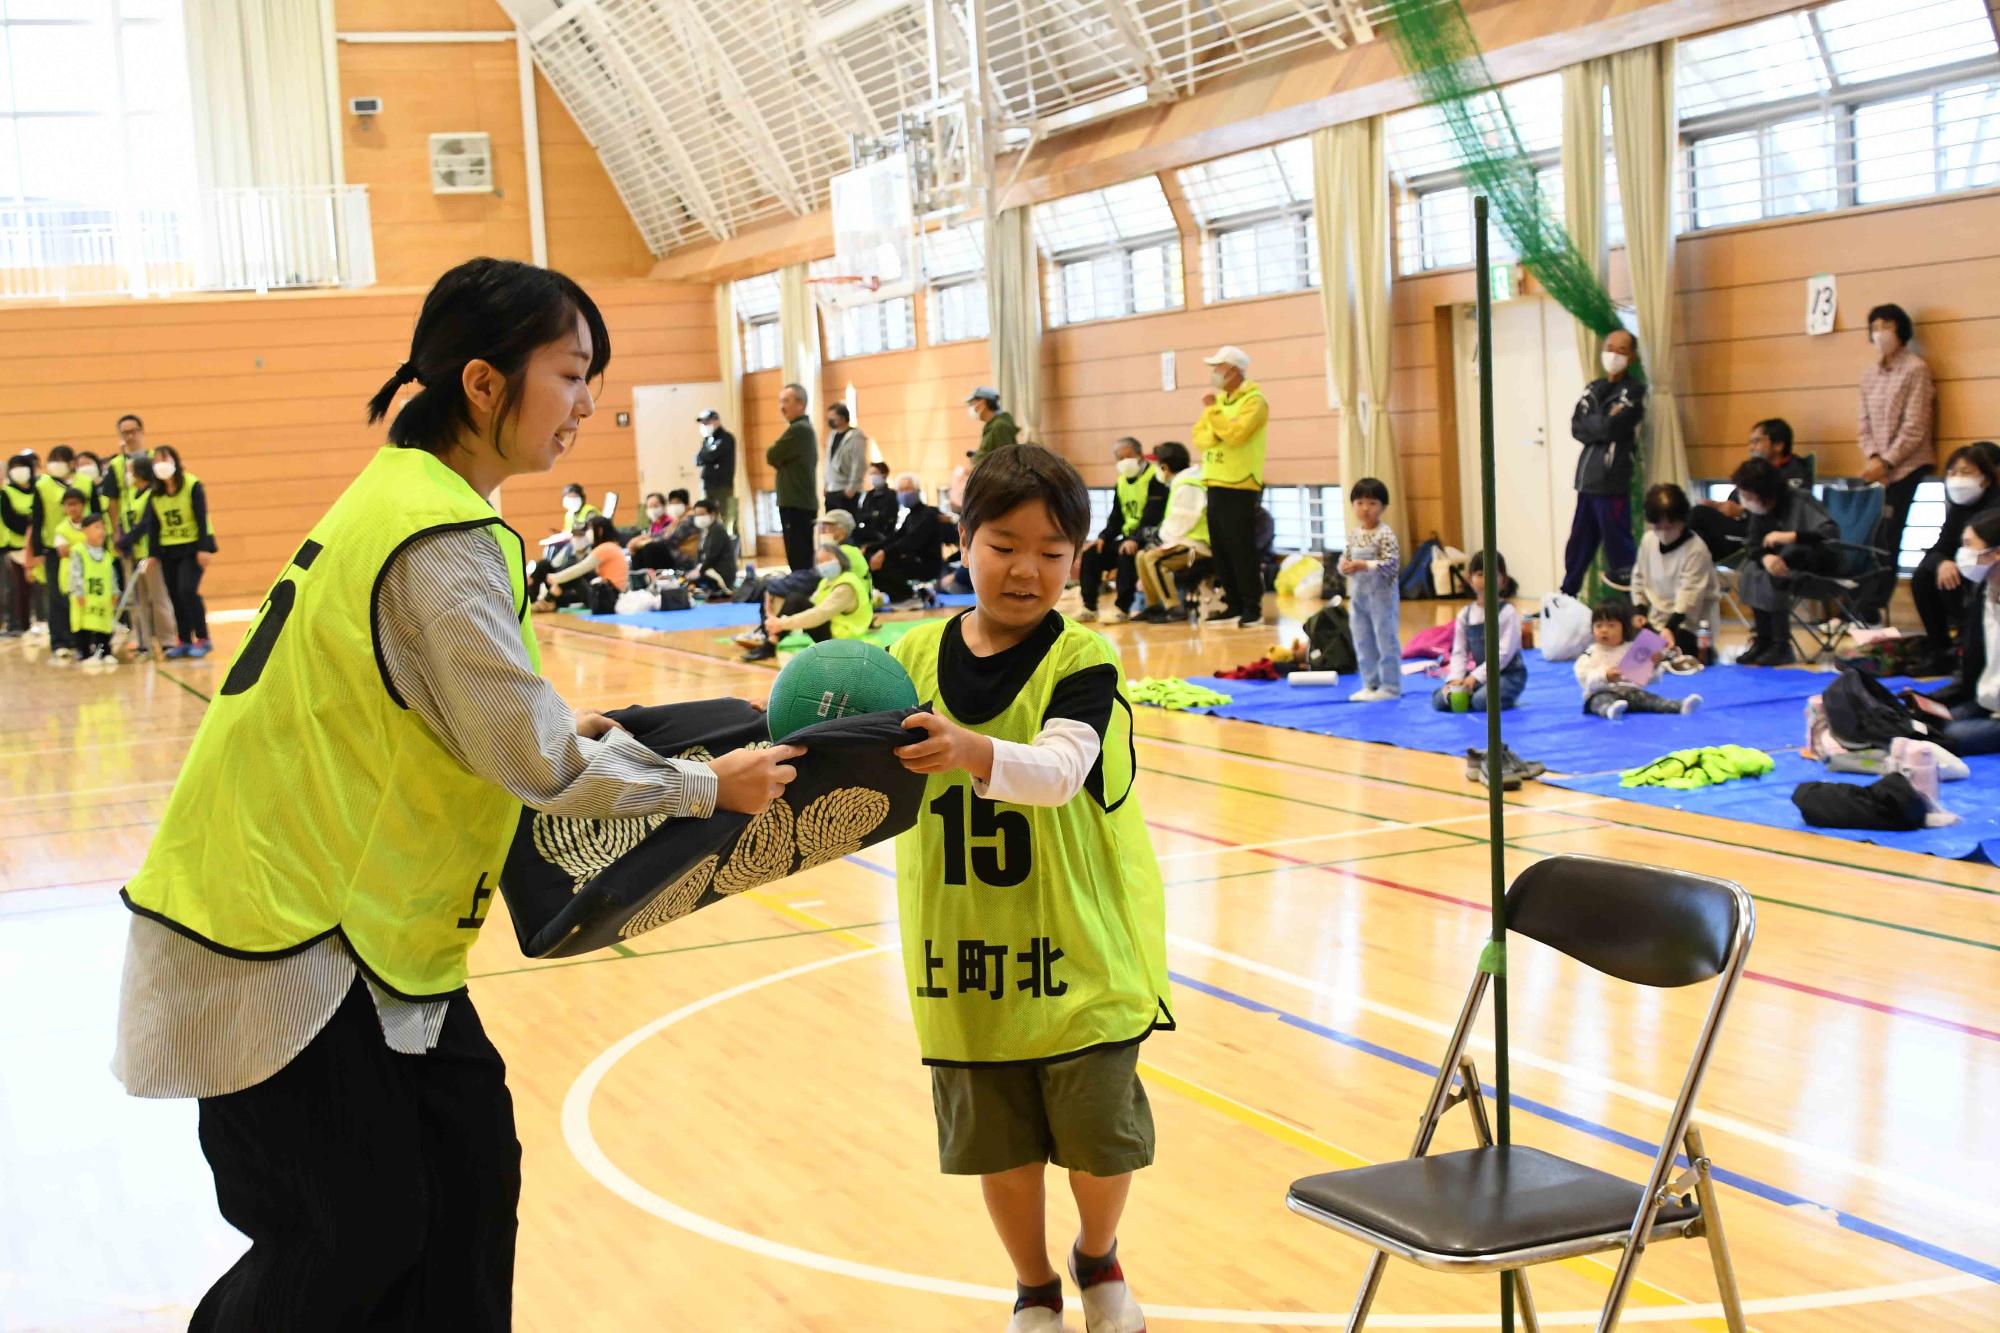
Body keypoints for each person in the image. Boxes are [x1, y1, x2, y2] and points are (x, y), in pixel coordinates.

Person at [112, 256, 802, 1332]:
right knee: (355, 1229)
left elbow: (455, 714)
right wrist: (706, 784)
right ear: (484, 384)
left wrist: (555, 733)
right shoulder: (437, 533)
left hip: (367, 934)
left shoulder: (407, 498)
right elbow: (535, 760)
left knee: (470, 1187)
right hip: (288, 930)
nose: (586, 403)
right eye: (571, 374)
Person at [887, 444, 1168, 1333]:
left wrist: (969, 750)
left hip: (1078, 951)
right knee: (997, 1147)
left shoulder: (1083, 661)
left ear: (1076, 561)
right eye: (1005, 543)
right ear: (962, 542)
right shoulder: (906, 656)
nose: (1027, 569)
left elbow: (1057, 770)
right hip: (961, 955)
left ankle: (1098, 1252)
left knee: (1098, 1134)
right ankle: (1036, 1287)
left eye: (1053, 552)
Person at [1856, 302, 1936, 625]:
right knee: (1868, 535)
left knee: (1890, 536)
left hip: (1907, 465)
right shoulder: (1869, 374)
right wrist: (1874, 458)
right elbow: (1863, 422)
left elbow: (1915, 425)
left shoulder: (1916, 368)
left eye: (1886, 326)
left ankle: (1872, 607)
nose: (1880, 333)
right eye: (1875, 327)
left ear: (1900, 330)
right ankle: (1859, 605)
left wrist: (1887, 462)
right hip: (1877, 468)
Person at [1732, 455, 1839, 667]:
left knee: (1773, 573)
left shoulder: (1801, 499)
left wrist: (1792, 536)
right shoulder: (1760, 510)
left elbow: (1830, 533)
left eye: (1747, 494)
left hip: (1817, 565)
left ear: (1766, 494)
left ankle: (1781, 645)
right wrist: (1766, 557)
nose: (1744, 499)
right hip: (1783, 566)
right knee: (1753, 569)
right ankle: (1763, 640)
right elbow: (1753, 545)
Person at [1561, 329, 1645, 596]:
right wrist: (1602, 421)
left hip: (1612, 483)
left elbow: (1612, 428)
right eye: (1610, 348)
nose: (1614, 355)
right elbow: (1577, 426)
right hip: (1586, 482)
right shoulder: (1593, 387)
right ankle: (1566, 597)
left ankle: (1631, 607)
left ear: (1631, 357)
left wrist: (1596, 422)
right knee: (1578, 545)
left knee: (1619, 547)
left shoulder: (1634, 391)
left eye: (1621, 350)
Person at [1192, 345, 1269, 629]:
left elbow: (1237, 435)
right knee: (1221, 549)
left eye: (1218, 368)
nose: (1214, 373)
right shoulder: (1221, 403)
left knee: (1241, 548)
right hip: (1215, 481)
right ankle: (1233, 604)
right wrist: (1219, 424)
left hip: (1240, 483)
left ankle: (1253, 608)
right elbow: (1200, 437)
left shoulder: (1254, 402)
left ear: (1234, 370)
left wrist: (1214, 415)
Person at [1914, 511, 2000, 754]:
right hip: (1986, 700)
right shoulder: (1982, 594)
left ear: (1996, 553)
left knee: (1948, 737)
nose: (1962, 554)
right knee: (1927, 725)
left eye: (1969, 545)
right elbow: (1970, 670)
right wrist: (1930, 700)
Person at [120, 443, 216, 658]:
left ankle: (203, 637)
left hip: (193, 547)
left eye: (166, 459)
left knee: (187, 590)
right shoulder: (156, 493)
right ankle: (183, 639)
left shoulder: (192, 485)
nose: (161, 465)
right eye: (157, 461)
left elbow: (201, 517)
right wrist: (153, 554)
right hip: (168, 549)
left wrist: (203, 548)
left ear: (175, 461)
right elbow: (154, 525)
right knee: (174, 594)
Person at [1912, 443, 2000, 673]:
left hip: (1989, 575)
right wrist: (1943, 562)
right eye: (1952, 472)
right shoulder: (1960, 508)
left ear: (1986, 477)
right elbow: (1939, 548)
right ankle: (1941, 650)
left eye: (1966, 472)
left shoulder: (1995, 507)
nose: (1957, 479)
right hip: (1961, 575)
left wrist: (1960, 560)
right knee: (1924, 574)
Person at [738, 510, 866, 662]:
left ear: (841, 531)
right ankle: (770, 634)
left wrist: (782, 621)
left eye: (827, 527)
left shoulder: (846, 564)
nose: (822, 531)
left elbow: (818, 606)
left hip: (844, 630)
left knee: (791, 597)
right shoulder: (830, 577)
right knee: (789, 597)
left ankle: (770, 635)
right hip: (835, 616)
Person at [1690, 419, 1808, 559]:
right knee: (1698, 535)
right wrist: (1718, 506)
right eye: (1750, 442)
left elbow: (1784, 514)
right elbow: (1736, 500)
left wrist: (1742, 512)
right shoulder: (1756, 470)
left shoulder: (1793, 474)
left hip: (1764, 536)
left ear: (1778, 445)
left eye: (1756, 441)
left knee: (1698, 515)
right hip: (1741, 529)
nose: (1751, 448)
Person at [1076, 438, 1164, 624]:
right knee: (1092, 552)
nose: (1124, 461)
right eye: (1120, 458)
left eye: (1128, 456)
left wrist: (1134, 538)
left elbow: (1153, 517)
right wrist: (1103, 537)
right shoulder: (1122, 482)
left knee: (1126, 552)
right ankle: (1089, 607)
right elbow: (1116, 517)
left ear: (1139, 455)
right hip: (1128, 537)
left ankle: (1122, 608)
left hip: (1151, 538)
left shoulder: (1155, 477)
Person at [1631, 483, 1720, 662]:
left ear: (1682, 521)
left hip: (1689, 624)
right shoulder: (1649, 541)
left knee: (1678, 667)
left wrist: (1670, 628)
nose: (1663, 533)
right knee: (1635, 668)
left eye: (1669, 527)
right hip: (1656, 621)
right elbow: (1638, 579)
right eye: (1658, 527)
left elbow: (1690, 596)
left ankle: (1705, 653)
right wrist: (1639, 612)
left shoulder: (1696, 549)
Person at [1574, 600, 1701, 720]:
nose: (1604, 630)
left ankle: (1678, 706)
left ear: (1624, 628)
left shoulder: (1632, 649)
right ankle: (1610, 710)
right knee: (1599, 701)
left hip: (1630, 693)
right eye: (1598, 625)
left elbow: (1645, 680)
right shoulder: (1590, 654)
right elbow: (1584, 678)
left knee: (1648, 699)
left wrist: (1653, 664)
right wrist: (1605, 676)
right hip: (1601, 693)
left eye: (1611, 625)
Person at [1432, 551, 1526, 712]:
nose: (1486, 579)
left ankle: (1501, 696)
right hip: (1480, 676)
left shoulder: (1507, 612)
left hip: (1508, 676)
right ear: (1469, 579)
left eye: (1493, 574)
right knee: (1441, 700)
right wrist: (1456, 678)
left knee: (1481, 701)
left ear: (1503, 580)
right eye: (1480, 574)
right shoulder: (1465, 615)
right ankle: (1470, 692)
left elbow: (1503, 655)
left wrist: (1475, 678)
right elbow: (1459, 652)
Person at [1340, 477, 1402, 701]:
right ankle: (1371, 683)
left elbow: (1392, 564)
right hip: (1358, 596)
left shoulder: (1385, 534)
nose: (1365, 508)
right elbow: (1345, 559)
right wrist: (1345, 567)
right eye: (1360, 503)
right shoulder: (1355, 534)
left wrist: (1364, 565)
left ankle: (1391, 687)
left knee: (1386, 640)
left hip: (1382, 597)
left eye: (1372, 503)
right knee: (1362, 639)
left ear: (1383, 507)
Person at [29, 448, 94, 660]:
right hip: (55, 550)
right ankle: (59, 641)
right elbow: (37, 518)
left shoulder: (85, 482)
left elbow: (96, 514)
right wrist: (38, 550)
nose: (55, 464)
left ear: (72, 462)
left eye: (60, 460)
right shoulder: (42, 485)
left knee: (82, 595)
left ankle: (84, 638)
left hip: (84, 548)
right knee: (57, 596)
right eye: (51, 460)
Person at [1135, 442, 1207, 624]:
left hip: (1198, 545)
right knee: (1141, 556)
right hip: (1185, 541)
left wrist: (1160, 538)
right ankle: (1153, 607)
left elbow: (1183, 521)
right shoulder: (1180, 483)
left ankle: (1173, 607)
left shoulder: (1188, 485)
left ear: (1165, 467)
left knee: (1155, 558)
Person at [116, 453, 176, 655]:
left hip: (150, 555)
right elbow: (125, 520)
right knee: (138, 599)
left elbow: (147, 523)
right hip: (131, 555)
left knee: (158, 598)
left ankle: (168, 640)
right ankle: (143, 642)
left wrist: (129, 538)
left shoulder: (152, 493)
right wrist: (123, 541)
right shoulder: (129, 495)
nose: (129, 474)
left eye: (131, 470)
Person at [764, 540, 872, 644]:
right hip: (831, 626)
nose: (825, 564)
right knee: (795, 601)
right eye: (820, 562)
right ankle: (771, 635)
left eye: (828, 559)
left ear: (840, 559)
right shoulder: (826, 581)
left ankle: (771, 640)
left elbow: (819, 614)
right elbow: (813, 603)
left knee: (796, 601)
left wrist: (782, 623)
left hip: (844, 638)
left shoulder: (846, 585)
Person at [868, 473, 946, 603]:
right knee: (871, 558)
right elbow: (895, 537)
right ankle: (904, 596)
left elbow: (911, 541)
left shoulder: (928, 514)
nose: (904, 493)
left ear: (917, 490)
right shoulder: (910, 516)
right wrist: (871, 548)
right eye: (901, 490)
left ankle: (908, 597)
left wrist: (884, 553)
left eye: (907, 489)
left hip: (926, 564)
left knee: (885, 563)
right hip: (911, 560)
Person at [768, 382, 819, 571]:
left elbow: (771, 455)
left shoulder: (799, 430)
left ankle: (801, 592)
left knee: (799, 555)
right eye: (781, 401)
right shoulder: (798, 429)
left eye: (786, 401)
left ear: (800, 404)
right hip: (797, 502)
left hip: (796, 502)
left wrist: (778, 456)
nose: (782, 407)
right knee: (799, 553)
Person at [533, 513, 628, 610]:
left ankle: (548, 600)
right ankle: (550, 601)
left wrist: (556, 578)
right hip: (609, 594)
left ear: (599, 531)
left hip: (606, 598)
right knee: (566, 587)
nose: (588, 533)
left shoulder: (605, 548)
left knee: (574, 576)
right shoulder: (612, 546)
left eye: (590, 529)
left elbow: (579, 569)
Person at [69, 510, 120, 671]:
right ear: (85, 530)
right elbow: (75, 573)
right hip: (84, 598)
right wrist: (78, 592)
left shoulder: (106, 554)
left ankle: (103, 653)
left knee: (103, 629)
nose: (102, 532)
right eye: (97, 527)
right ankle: (85, 654)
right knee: (84, 628)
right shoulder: (78, 551)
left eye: (103, 528)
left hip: (102, 600)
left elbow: (112, 575)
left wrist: (114, 592)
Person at [1, 451, 33, 636]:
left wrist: (32, 526)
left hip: (36, 546)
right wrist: (27, 523)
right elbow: (9, 518)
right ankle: (20, 625)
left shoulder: (38, 487)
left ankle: (42, 623)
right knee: (16, 589)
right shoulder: (6, 492)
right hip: (14, 547)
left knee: (38, 589)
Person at [695, 408, 738, 534]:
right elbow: (698, 459)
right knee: (707, 517)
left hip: (723, 485)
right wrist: (706, 456)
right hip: (707, 484)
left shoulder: (726, 438)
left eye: (707, 422)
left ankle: (732, 549)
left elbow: (711, 456)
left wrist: (706, 456)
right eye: (703, 423)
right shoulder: (707, 440)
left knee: (728, 518)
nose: (704, 426)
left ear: (716, 421)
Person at [823, 403, 869, 517]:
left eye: (832, 417)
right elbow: (828, 462)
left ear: (843, 418)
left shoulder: (856, 437)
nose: (830, 420)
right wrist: (826, 484)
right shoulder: (832, 436)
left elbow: (858, 463)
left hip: (846, 490)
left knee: (846, 525)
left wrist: (852, 488)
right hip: (832, 489)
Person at [685, 497, 738, 596]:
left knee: (692, 580)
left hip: (721, 573)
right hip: (710, 569)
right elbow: (700, 554)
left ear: (712, 514)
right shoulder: (705, 531)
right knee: (688, 576)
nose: (699, 517)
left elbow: (712, 557)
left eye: (702, 514)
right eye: (697, 515)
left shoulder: (718, 530)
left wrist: (699, 571)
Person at [854, 460, 898, 547]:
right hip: (867, 536)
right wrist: (874, 515)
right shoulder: (868, 495)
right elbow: (860, 516)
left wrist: (872, 515)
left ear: (884, 474)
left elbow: (886, 516)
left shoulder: (892, 495)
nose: (872, 476)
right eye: (870, 474)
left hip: (885, 537)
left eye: (875, 473)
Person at [968, 386, 1020, 455]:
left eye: (973, 404)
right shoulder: (991, 426)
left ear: (983, 403)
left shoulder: (1000, 426)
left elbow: (1006, 457)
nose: (973, 408)